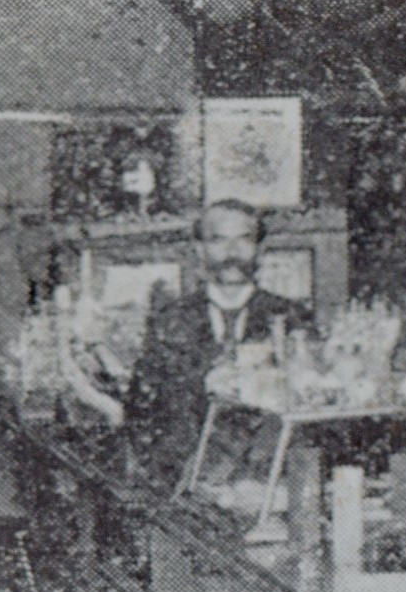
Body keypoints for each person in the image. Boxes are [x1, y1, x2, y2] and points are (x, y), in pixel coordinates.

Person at [123, 199, 314, 491]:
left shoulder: (291, 318)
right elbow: (142, 410)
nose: (232, 253)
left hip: (270, 482)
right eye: (219, 241)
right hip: (185, 484)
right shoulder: (169, 320)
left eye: (244, 240)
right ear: (199, 249)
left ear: (261, 249)